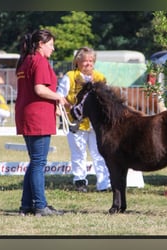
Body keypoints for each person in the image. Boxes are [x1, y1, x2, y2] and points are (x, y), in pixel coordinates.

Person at [15, 29, 67, 217]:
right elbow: (39, 89)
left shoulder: (25, 60)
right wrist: (59, 97)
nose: (53, 49)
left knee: (34, 161)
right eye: (51, 44)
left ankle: (27, 205)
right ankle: (40, 206)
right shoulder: (40, 61)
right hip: (38, 116)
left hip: (26, 114)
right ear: (40, 44)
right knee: (38, 162)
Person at [57, 46, 111, 192]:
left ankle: (104, 183)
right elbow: (60, 96)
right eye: (85, 61)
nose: (89, 64)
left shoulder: (100, 77)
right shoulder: (70, 76)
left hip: (96, 124)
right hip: (76, 122)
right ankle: (80, 181)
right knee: (78, 153)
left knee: (99, 153)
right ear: (77, 62)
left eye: (91, 61)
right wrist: (71, 107)